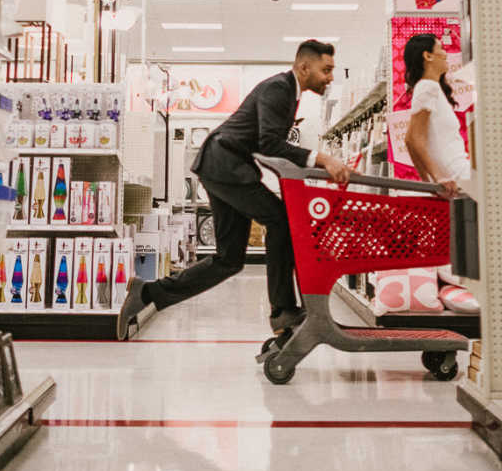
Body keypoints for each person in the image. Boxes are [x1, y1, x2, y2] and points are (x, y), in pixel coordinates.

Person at [117, 40, 351, 338]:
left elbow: (266, 144)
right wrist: (322, 158)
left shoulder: (289, 93)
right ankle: (282, 311)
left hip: (224, 167)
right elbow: (270, 143)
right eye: (326, 69)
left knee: (229, 261)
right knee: (281, 220)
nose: (330, 77)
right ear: (305, 66)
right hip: (226, 166)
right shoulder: (279, 89)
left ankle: (148, 293)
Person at [401, 33, 467, 197]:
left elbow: (410, 139)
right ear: (428, 55)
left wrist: (429, 182)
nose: (446, 54)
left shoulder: (430, 88)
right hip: (457, 173)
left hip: (455, 175)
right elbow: (413, 139)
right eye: (441, 48)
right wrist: (436, 178)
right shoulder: (427, 86)